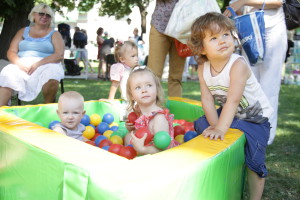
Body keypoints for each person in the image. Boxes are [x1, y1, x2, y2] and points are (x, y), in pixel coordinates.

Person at [188, 13, 273, 200]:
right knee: (201, 125)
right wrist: (214, 125)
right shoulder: (203, 69)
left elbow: (234, 100)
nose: (223, 41)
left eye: (226, 34)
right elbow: (207, 100)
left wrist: (220, 128)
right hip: (231, 114)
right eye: (214, 38)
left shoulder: (238, 65)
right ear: (202, 48)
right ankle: (226, 159)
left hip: (255, 117)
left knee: (254, 161)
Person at [223, 0, 287, 145]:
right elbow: (235, 6)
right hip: (249, 28)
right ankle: (249, 131)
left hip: (272, 28)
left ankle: (266, 136)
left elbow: (277, 2)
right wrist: (235, 10)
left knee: (269, 85)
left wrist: (243, 2)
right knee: (249, 86)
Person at [0, 3, 64, 106]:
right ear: (34, 15)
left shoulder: (54, 34)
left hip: (47, 62)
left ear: (51, 18)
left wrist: (37, 64)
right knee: (8, 72)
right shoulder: (22, 31)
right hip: (22, 62)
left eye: (48, 15)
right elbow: (11, 51)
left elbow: (59, 55)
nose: (44, 17)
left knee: (52, 73)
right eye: (41, 13)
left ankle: (47, 107)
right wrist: (19, 64)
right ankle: (2, 112)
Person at [124, 66, 179, 155]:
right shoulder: (139, 110)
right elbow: (141, 129)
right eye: (138, 87)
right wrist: (131, 128)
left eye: (149, 85)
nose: (144, 90)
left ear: (157, 90)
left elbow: (163, 148)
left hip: (160, 153)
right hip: (144, 145)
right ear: (131, 95)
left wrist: (142, 149)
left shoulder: (159, 118)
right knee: (128, 136)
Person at [148, 0, 186, 97]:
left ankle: (176, 109)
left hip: (182, 28)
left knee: (176, 76)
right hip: (160, 25)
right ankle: (150, 109)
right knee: (153, 75)